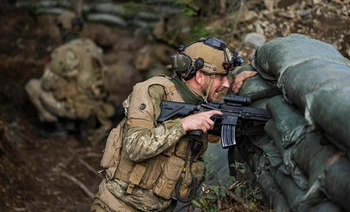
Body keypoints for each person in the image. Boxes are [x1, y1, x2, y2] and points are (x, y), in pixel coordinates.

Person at [90, 37, 256, 211]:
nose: (226, 83)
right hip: (118, 206)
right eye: (221, 77)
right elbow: (135, 146)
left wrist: (236, 89)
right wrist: (183, 125)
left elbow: (228, 131)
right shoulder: (153, 91)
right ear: (199, 77)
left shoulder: (203, 105)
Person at [25, 11, 114, 145]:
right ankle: (81, 124)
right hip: (95, 105)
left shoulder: (62, 52)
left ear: (63, 29)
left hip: (74, 108)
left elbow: (46, 85)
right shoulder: (92, 46)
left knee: (33, 86)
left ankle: (57, 127)